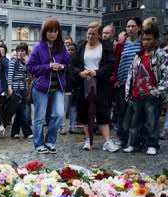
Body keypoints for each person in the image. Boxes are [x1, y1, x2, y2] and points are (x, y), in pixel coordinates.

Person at [71, 22, 119, 152]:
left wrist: (97, 73)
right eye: (89, 33)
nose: (90, 36)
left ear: (99, 35)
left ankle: (107, 141)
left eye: (93, 34)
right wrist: (79, 73)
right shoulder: (81, 47)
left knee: (102, 112)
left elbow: (111, 64)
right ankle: (88, 139)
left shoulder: (106, 47)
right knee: (84, 112)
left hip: (101, 84)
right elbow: (73, 65)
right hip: (83, 84)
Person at [26, 18, 70, 154]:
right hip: (41, 88)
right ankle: (39, 144)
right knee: (39, 118)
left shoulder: (62, 47)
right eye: (50, 31)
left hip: (58, 88)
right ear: (45, 32)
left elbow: (69, 65)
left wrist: (62, 66)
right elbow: (30, 67)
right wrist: (48, 66)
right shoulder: (38, 48)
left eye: (55, 31)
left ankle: (50, 141)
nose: (53, 34)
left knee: (58, 115)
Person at [123, 24, 168, 155]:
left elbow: (166, 75)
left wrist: (157, 91)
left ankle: (152, 144)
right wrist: (128, 92)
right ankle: (133, 144)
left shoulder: (161, 55)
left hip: (151, 94)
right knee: (134, 122)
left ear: (156, 40)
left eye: (149, 39)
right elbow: (131, 74)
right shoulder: (138, 55)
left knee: (152, 122)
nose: (146, 42)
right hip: (137, 94)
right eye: (144, 39)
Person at [111, 17, 142, 147]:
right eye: (128, 26)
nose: (130, 29)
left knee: (138, 113)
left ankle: (137, 140)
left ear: (139, 28)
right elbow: (116, 63)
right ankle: (122, 138)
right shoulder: (121, 44)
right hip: (122, 84)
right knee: (122, 112)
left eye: (133, 26)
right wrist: (115, 79)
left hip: (138, 85)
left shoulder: (143, 43)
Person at [7, 42, 33, 139]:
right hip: (16, 88)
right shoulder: (14, 60)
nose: (20, 52)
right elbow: (10, 74)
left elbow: (29, 74)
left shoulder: (24, 62)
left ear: (26, 52)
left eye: (22, 51)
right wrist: (10, 87)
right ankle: (27, 132)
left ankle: (15, 132)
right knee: (21, 111)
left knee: (19, 111)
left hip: (24, 88)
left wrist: (28, 64)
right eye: (18, 51)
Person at [0, 41, 9, 133]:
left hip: (1, 87)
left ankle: (1, 123)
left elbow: (8, 68)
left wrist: (3, 56)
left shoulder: (3, 60)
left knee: (0, 107)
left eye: (0, 49)